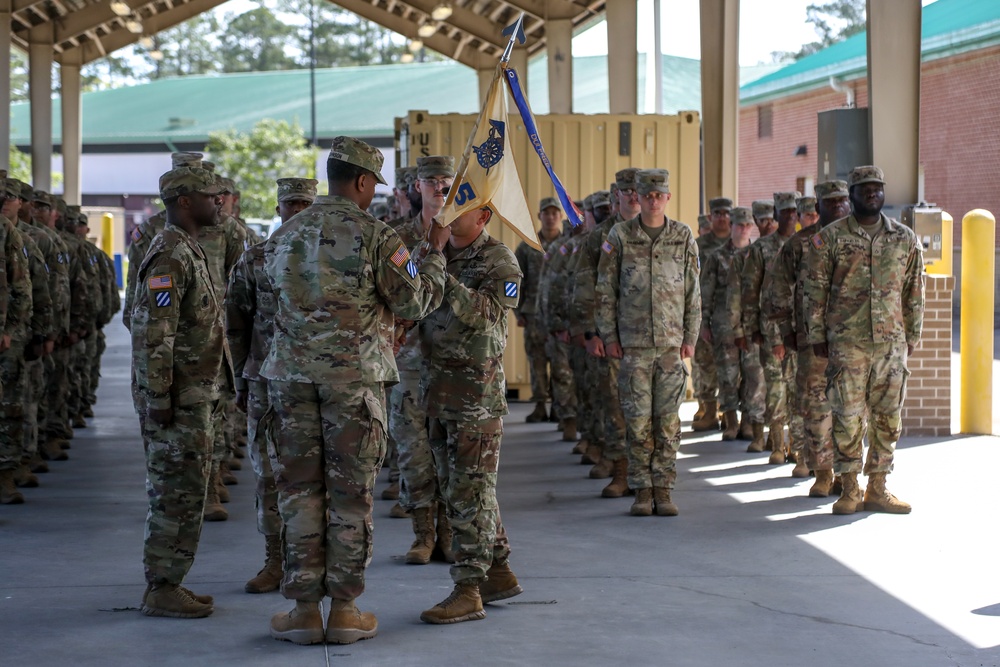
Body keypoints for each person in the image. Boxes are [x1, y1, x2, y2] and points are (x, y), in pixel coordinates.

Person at [260, 136, 448, 645]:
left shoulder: (285, 235)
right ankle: (345, 610)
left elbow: (263, 302)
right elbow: (414, 301)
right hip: (353, 384)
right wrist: (432, 253)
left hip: (290, 382)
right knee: (349, 496)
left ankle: (302, 610)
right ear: (363, 182)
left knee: (298, 494)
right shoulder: (379, 236)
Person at [131, 165, 230, 618]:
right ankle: (162, 586)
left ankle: (171, 581)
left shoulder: (187, 249)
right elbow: (155, 332)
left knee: (188, 491)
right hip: (177, 401)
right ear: (185, 201)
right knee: (175, 494)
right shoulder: (169, 254)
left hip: (193, 397)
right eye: (212, 195)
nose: (220, 201)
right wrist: (158, 399)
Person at [418, 204, 524, 625]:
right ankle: (497, 571)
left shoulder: (500, 260)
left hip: (475, 398)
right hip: (437, 392)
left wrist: (440, 271)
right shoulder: (433, 252)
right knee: (461, 488)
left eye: (458, 208)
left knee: (470, 492)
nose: (446, 215)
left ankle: (468, 589)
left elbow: (488, 316)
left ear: (482, 217)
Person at [803, 165, 924, 515]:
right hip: (848, 345)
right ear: (852, 195)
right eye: (864, 188)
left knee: (888, 418)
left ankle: (878, 487)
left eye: (877, 187)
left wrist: (912, 335)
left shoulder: (904, 238)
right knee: (847, 418)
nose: (871, 193)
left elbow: (914, 290)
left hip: (890, 345)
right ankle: (849, 488)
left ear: (884, 193)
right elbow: (814, 290)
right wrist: (816, 336)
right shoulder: (830, 238)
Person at [226, 177, 317, 594]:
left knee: (314, 477)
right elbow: (236, 322)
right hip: (264, 381)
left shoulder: (328, 258)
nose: (297, 212)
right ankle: (275, 559)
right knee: (267, 473)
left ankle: (311, 561)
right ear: (279, 209)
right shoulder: (255, 258)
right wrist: (241, 380)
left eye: (304, 205)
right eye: (290, 205)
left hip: (315, 384)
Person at [596, 169, 700, 517]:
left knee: (668, 422)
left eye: (660, 194)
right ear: (637, 198)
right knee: (638, 422)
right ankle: (642, 491)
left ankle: (664, 489)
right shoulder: (620, 235)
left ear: (668, 198)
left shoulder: (682, 236)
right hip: (634, 347)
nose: (653, 199)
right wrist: (609, 336)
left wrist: (691, 337)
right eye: (647, 194)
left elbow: (692, 292)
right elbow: (605, 290)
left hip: (671, 347)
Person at [762, 181, 851, 496]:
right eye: (830, 202)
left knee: (851, 412)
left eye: (842, 200)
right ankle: (823, 472)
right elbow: (777, 290)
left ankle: (848, 476)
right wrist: (786, 331)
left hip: (852, 344)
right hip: (812, 344)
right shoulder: (800, 244)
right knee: (816, 410)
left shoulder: (859, 240)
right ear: (818, 207)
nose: (837, 206)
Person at [389, 154, 456, 563]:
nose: (439, 187)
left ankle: (449, 532)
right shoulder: (394, 237)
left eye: (446, 180)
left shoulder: (469, 233)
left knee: (449, 452)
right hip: (409, 361)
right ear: (418, 187)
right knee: (413, 453)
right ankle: (422, 534)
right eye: (431, 181)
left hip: (452, 360)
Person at [572, 169, 640, 497]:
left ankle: (650, 478)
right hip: (612, 335)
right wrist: (589, 332)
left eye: (636, 190)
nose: (632, 196)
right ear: (616, 196)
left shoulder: (663, 233)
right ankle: (621, 470)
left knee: (651, 410)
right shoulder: (599, 237)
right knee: (614, 404)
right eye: (625, 190)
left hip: (652, 338)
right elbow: (584, 285)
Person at [701, 206, 755, 441]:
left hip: (751, 322)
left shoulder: (757, 253)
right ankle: (731, 422)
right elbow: (706, 292)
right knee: (728, 373)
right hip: (723, 324)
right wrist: (704, 323)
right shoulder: (717, 256)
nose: (743, 229)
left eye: (747, 225)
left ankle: (749, 422)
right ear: (731, 226)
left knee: (752, 374)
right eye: (739, 224)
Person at [514, 197, 564, 423]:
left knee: (560, 361)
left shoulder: (567, 245)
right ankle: (540, 405)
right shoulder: (527, 246)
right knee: (537, 361)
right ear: (539, 216)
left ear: (561, 216)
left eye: (555, 213)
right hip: (533, 313)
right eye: (547, 213)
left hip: (560, 315)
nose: (551, 217)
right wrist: (518, 312)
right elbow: (516, 282)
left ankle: (558, 406)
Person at [691, 198, 731, 431]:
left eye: (726, 213)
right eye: (718, 213)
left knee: (731, 368)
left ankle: (728, 412)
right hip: (703, 312)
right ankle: (707, 410)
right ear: (711, 217)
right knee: (705, 363)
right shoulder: (699, 245)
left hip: (729, 316)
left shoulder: (739, 243)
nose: (722, 217)